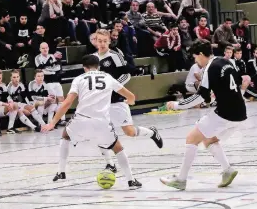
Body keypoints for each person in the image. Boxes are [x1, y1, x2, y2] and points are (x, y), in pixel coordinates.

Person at [43, 55, 142, 189]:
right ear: (99, 66)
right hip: (102, 122)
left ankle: (61, 172)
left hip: (81, 119)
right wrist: (129, 102)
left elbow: (67, 103)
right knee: (117, 148)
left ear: (84, 68)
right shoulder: (108, 77)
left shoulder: (78, 79)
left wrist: (52, 123)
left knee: (65, 135)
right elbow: (131, 96)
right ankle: (131, 181)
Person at [161, 39, 248, 190]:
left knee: (191, 138)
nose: (196, 61)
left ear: (201, 54)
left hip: (225, 113)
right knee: (208, 139)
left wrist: (177, 105)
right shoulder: (226, 61)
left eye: (195, 57)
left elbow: (201, 96)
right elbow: (238, 81)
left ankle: (181, 180)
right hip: (240, 112)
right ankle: (227, 170)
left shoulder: (209, 68)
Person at [94, 29, 163, 172]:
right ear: (95, 41)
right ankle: (110, 164)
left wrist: (114, 87)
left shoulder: (115, 56)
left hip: (116, 100)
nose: (101, 44)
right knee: (99, 132)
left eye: (104, 41)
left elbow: (127, 74)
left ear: (109, 41)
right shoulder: (93, 58)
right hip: (100, 102)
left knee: (129, 132)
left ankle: (151, 132)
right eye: (99, 41)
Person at [35, 42, 65, 124]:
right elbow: (40, 68)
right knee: (53, 100)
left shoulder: (52, 56)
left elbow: (58, 67)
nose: (45, 49)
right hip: (47, 82)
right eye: (43, 48)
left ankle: (62, 119)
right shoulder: (38, 57)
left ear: (48, 48)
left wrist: (48, 67)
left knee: (61, 99)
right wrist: (50, 65)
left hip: (56, 80)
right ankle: (50, 121)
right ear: (40, 49)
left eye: (46, 48)